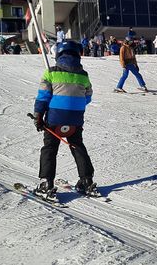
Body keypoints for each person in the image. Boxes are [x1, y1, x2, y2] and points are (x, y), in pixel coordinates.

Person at [33, 41, 96, 200]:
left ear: (59, 54)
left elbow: (43, 97)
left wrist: (38, 116)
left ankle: (47, 182)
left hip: (55, 119)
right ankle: (87, 180)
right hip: (75, 119)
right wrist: (74, 105)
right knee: (77, 146)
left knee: (50, 148)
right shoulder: (83, 75)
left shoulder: (51, 73)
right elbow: (87, 97)